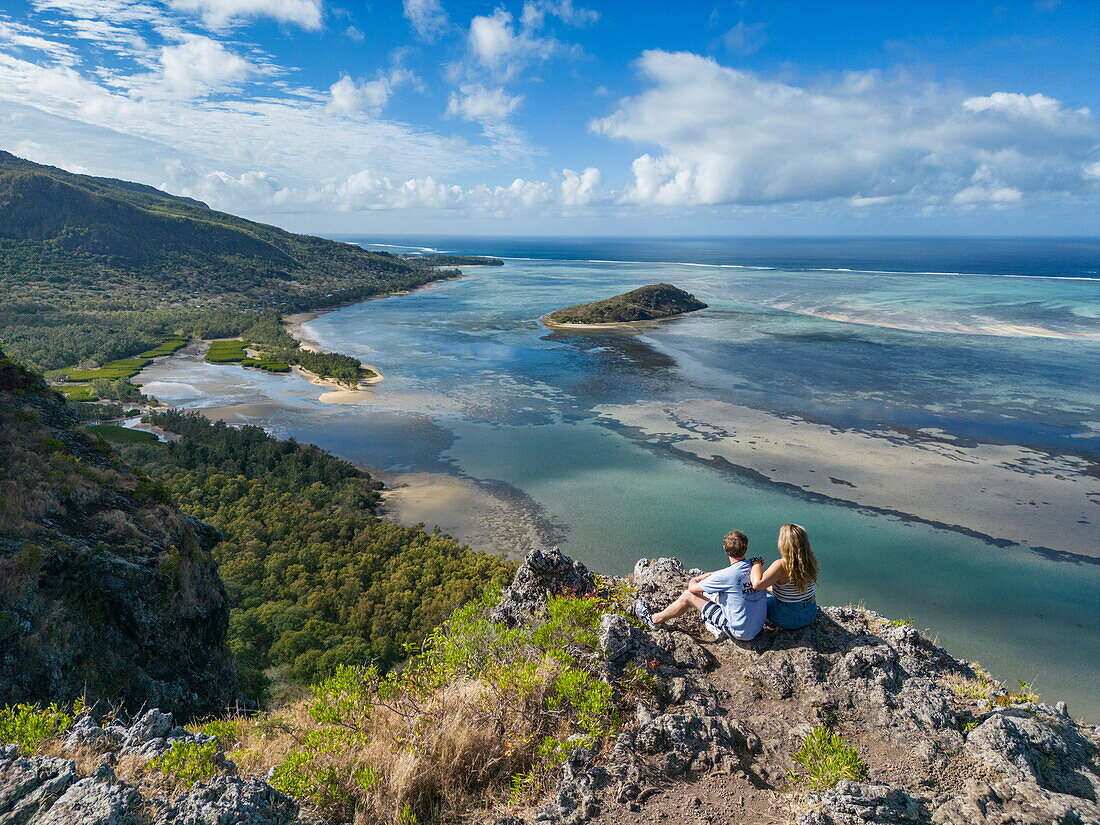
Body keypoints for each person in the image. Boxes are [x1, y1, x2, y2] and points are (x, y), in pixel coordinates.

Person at [636, 529, 767, 641]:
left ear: (725, 549)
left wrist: (696, 579)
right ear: (746, 547)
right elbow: (734, 574)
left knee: (688, 595)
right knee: (718, 594)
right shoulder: (755, 568)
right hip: (757, 627)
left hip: (740, 632)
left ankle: (654, 620)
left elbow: (692, 589)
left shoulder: (725, 576)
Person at [750, 523, 819, 629]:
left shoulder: (781, 565)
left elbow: (757, 585)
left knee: (757, 596)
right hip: (810, 614)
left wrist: (756, 563)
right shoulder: (810, 560)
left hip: (787, 618)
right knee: (769, 590)